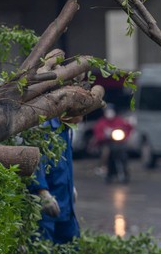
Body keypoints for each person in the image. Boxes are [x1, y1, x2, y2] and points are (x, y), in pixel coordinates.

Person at [28, 113, 83, 246]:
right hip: (47, 202)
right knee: (42, 247)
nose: (80, 118)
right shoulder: (43, 128)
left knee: (70, 247)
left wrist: (71, 186)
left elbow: (64, 162)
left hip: (65, 200)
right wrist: (42, 191)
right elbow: (35, 163)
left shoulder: (66, 129)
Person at [92, 104, 133, 183]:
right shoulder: (101, 123)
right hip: (106, 143)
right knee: (106, 153)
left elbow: (128, 128)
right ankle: (106, 171)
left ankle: (125, 172)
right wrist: (104, 136)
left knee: (124, 155)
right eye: (108, 111)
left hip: (119, 143)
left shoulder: (119, 120)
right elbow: (97, 134)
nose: (109, 113)